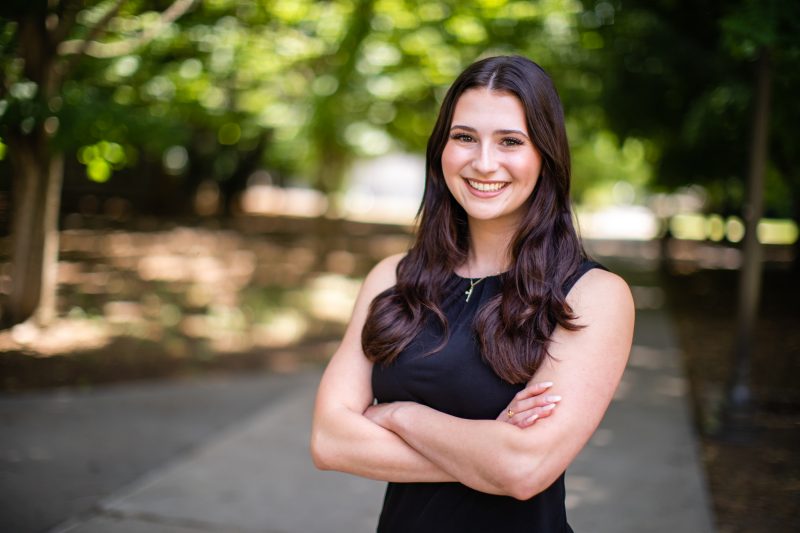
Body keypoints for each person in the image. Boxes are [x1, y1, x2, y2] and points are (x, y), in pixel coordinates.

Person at [311, 55, 634, 533]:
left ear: (545, 154)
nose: (484, 162)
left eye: (510, 141)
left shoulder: (593, 296)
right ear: (441, 148)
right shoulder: (392, 279)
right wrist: (490, 451)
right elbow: (330, 441)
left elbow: (525, 471)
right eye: (464, 137)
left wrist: (399, 414)